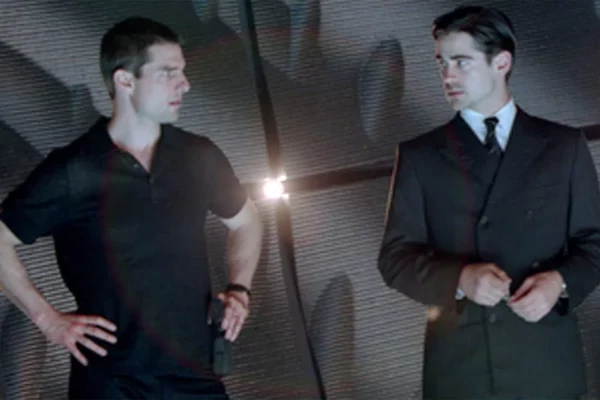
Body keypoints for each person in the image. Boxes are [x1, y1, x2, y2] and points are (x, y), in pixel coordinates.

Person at [0, 16, 263, 399]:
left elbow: (247, 221)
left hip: (195, 377)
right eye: (168, 73)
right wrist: (47, 319)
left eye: (182, 71)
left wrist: (239, 289)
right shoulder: (75, 170)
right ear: (125, 81)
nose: (185, 84)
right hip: (111, 384)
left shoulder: (198, 155)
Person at [378, 5, 600, 400]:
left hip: (546, 368)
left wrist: (560, 282)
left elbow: (595, 243)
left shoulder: (563, 147)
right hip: (462, 373)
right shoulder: (419, 156)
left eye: (461, 62)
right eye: (442, 63)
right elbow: (394, 259)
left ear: (502, 62)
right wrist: (459, 279)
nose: (447, 75)